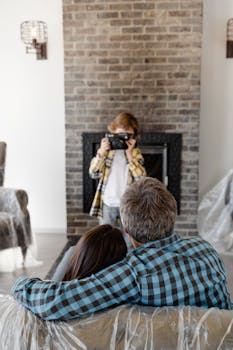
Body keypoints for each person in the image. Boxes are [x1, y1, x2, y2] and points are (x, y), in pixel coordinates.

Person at [11, 177, 232, 321]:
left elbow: (54, 302)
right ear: (172, 217)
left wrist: (21, 283)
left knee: (72, 254)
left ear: (125, 228)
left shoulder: (133, 273)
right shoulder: (206, 250)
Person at [89, 111, 146, 229]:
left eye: (127, 136)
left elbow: (142, 179)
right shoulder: (107, 152)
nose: (122, 140)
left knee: (129, 241)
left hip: (128, 205)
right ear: (112, 133)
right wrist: (101, 153)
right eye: (120, 135)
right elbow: (93, 174)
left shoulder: (135, 154)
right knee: (106, 239)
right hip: (107, 203)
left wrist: (130, 155)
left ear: (133, 137)